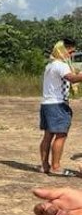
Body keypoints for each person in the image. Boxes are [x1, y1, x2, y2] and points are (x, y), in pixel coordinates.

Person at [39, 38, 82, 176]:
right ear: (63, 50)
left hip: (47, 104)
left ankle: (45, 165)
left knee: (48, 135)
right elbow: (72, 79)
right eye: (70, 51)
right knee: (61, 135)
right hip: (57, 104)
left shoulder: (50, 65)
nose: (71, 54)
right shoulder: (61, 65)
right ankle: (56, 167)